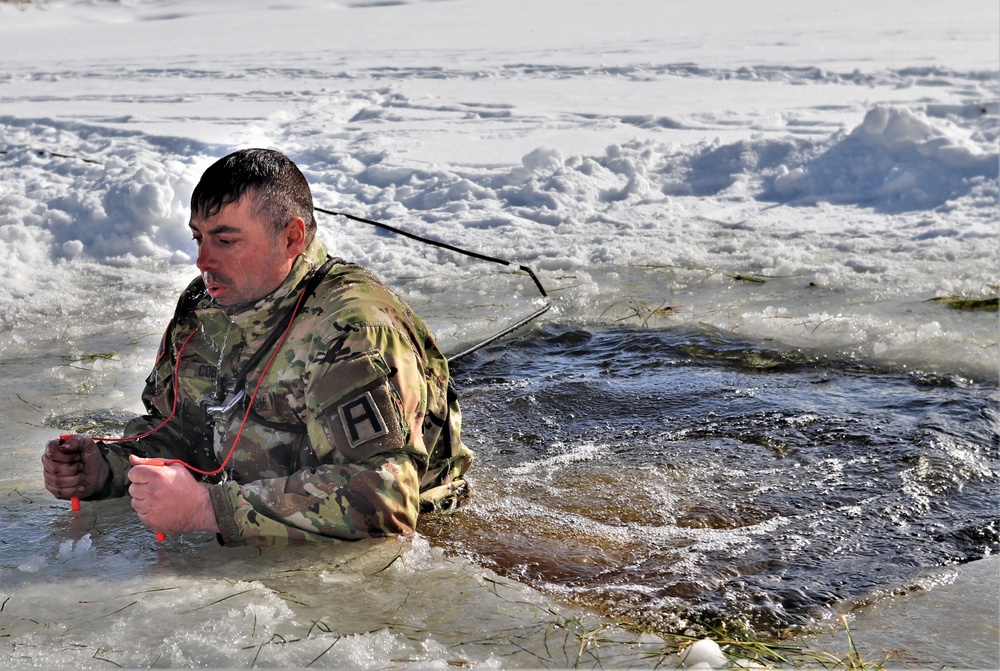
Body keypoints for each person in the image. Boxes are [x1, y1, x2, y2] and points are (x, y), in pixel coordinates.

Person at [42, 148, 473, 546]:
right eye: (198, 237)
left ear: (291, 238)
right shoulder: (204, 306)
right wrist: (107, 467)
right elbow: (190, 431)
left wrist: (208, 508)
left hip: (403, 548)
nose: (202, 260)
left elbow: (384, 499)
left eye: (226, 240)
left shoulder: (352, 330)